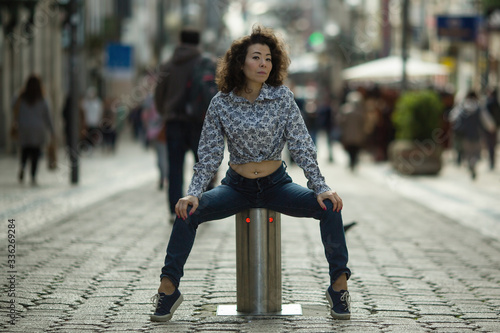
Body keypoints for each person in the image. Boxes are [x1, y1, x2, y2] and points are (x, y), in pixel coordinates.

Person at [151, 26, 351, 322]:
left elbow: (301, 146)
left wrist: (320, 186)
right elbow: (208, 154)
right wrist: (193, 192)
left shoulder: (283, 98)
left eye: (268, 59)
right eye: (256, 57)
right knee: (186, 213)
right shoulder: (221, 102)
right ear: (240, 63)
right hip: (236, 187)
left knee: (330, 206)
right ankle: (168, 289)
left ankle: (339, 286)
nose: (263, 64)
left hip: (276, 185)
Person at [154, 28, 217, 223]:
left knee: (175, 168)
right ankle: (203, 207)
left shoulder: (168, 65)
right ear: (198, 43)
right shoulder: (205, 63)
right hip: (199, 123)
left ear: (180, 41)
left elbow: (158, 95)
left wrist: (166, 112)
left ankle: (175, 210)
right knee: (203, 166)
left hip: (174, 122)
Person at [13, 74, 55, 185]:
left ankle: (22, 167)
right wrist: (52, 130)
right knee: (35, 152)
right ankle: (33, 175)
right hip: (38, 129)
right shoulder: (42, 98)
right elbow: (48, 115)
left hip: (24, 127)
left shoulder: (22, 97)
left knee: (25, 150)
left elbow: (14, 105)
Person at [449, 91, 496, 179]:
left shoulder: (462, 107)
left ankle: (470, 163)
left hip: (464, 135)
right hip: (476, 135)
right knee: (477, 153)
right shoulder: (479, 107)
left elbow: (452, 117)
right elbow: (486, 119)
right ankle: (473, 163)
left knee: (467, 153)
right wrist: (491, 127)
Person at [337, 91, 366, 172]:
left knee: (351, 149)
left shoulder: (345, 109)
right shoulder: (360, 111)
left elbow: (340, 122)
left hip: (349, 134)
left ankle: (352, 162)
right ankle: (353, 162)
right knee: (354, 149)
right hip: (356, 135)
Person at [484, 89, 500, 170]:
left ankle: (491, 162)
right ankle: (492, 162)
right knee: (493, 146)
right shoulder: (496, 103)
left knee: (490, 145)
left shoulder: (489, 103)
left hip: (489, 128)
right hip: (495, 127)